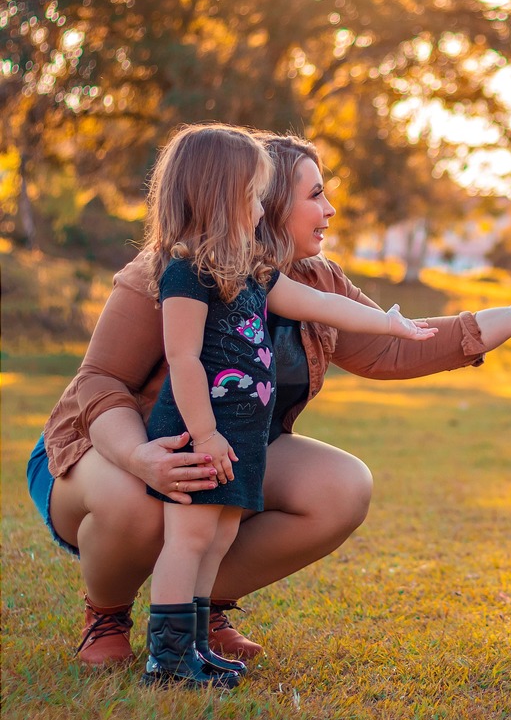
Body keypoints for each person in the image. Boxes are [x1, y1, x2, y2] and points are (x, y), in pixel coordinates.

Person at [26, 130, 511, 669]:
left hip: (226, 444)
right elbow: (100, 383)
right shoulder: (171, 270)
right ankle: (108, 615)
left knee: (339, 486)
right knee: (139, 502)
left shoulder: (306, 278)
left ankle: (200, 614)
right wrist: (140, 457)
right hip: (102, 453)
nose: (329, 210)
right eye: (315, 195)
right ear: (263, 200)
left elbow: (391, 343)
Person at [134, 124, 441, 688]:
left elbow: (319, 302)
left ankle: (196, 647)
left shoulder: (252, 270)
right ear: (220, 194)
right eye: (253, 193)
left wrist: (387, 322)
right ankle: (168, 659)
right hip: (201, 438)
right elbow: (182, 360)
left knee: (219, 539)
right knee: (190, 538)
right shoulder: (187, 272)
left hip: (242, 439)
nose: (260, 204)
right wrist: (204, 435)